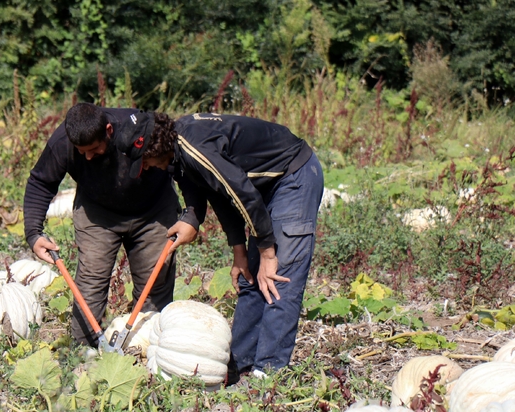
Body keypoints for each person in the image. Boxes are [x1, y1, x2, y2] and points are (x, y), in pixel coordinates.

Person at [140, 112, 324, 378]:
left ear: (155, 149)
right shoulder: (179, 154)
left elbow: (242, 194)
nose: (145, 167)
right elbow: (222, 196)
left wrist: (269, 252)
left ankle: (268, 374)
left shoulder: (196, 149)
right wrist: (240, 252)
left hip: (293, 176)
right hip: (263, 188)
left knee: (278, 277)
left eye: (145, 161)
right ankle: (239, 366)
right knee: (251, 277)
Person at [23, 103, 201, 346]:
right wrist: (34, 233)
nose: (87, 156)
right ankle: (83, 352)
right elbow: (41, 182)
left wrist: (191, 215)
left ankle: (147, 350)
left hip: (153, 210)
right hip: (98, 213)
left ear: (108, 130)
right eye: (81, 151)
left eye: (94, 149)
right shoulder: (62, 142)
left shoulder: (139, 129)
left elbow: (181, 163)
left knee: (155, 283)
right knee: (90, 283)